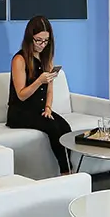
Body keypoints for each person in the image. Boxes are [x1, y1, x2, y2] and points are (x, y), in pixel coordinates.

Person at [7, 15, 72, 175]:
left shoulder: (46, 59)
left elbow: (50, 90)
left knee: (65, 127)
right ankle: (66, 172)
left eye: (46, 41)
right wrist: (38, 80)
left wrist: (48, 107)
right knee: (53, 128)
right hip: (20, 112)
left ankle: (68, 168)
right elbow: (21, 95)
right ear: (30, 38)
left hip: (40, 110)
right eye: (38, 40)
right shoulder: (19, 59)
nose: (42, 45)